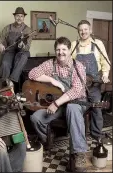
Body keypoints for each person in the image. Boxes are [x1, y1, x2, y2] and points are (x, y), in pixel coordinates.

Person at [29, 37, 88, 172]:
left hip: (77, 103)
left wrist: (56, 103)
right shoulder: (51, 64)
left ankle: (78, 154)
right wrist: (53, 81)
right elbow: (32, 74)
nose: (61, 52)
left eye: (64, 49)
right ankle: (49, 139)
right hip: (60, 105)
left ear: (69, 51)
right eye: (58, 49)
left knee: (72, 108)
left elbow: (76, 91)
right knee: (36, 118)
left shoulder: (78, 66)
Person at [71, 20, 111, 141]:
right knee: (78, 108)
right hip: (78, 84)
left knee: (97, 109)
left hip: (94, 84)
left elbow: (106, 62)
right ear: (78, 31)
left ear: (90, 30)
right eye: (81, 30)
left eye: (85, 29)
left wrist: (105, 74)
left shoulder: (97, 44)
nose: (83, 32)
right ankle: (79, 135)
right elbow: (69, 63)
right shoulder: (74, 45)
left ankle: (96, 135)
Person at [0, 7, 32, 84]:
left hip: (22, 51)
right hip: (10, 51)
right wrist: (0, 44)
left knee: (22, 57)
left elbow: (27, 46)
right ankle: (4, 84)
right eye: (17, 16)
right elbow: (0, 38)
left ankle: (11, 80)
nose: (19, 18)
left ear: (24, 18)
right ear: (14, 17)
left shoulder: (27, 30)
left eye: (21, 16)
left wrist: (22, 46)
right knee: (5, 64)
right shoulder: (8, 28)